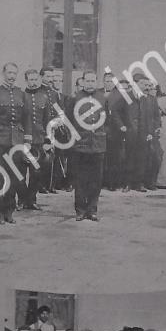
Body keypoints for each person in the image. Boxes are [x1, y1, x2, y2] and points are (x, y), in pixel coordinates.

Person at [0, 62, 32, 225]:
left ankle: (9, 211)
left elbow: (27, 119)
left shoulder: (22, 94)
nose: (11, 76)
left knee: (15, 178)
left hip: (17, 141)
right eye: (9, 73)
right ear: (3, 73)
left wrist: (27, 141)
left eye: (14, 73)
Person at [66, 70, 107, 221]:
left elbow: (106, 120)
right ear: (82, 81)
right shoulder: (75, 98)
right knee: (80, 179)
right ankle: (80, 210)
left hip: (98, 145)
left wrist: (101, 134)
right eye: (87, 81)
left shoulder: (102, 98)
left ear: (96, 82)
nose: (90, 84)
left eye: (92, 81)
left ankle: (92, 209)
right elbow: (68, 120)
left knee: (96, 180)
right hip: (80, 146)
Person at [21, 69, 54, 210]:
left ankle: (31, 200)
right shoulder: (21, 96)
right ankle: (21, 200)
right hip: (23, 140)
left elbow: (48, 121)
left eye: (35, 80)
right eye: (30, 80)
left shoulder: (44, 97)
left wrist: (48, 141)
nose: (33, 83)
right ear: (26, 80)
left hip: (39, 139)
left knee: (36, 172)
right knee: (21, 172)